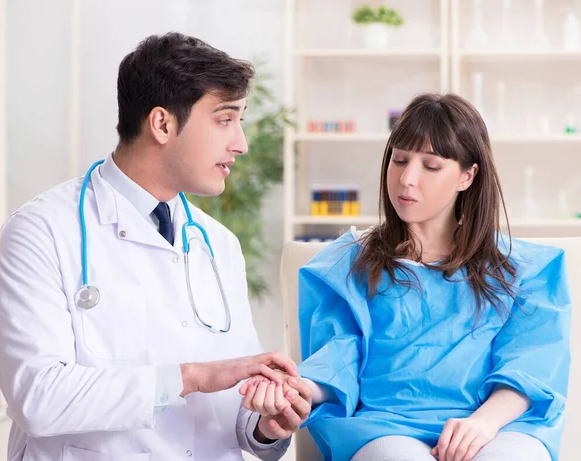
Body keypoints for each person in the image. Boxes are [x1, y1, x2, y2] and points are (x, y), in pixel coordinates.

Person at [0, 32, 312, 461]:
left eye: (240, 121)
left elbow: (234, 406)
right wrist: (191, 377)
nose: (241, 144)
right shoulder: (38, 234)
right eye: (224, 119)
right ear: (162, 124)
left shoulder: (218, 245)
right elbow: (38, 399)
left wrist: (265, 426)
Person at [241, 93, 571, 461]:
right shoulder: (344, 266)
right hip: (385, 427)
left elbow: (530, 365)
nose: (406, 179)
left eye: (431, 166)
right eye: (399, 160)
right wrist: (294, 389)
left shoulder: (525, 270)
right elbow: (337, 359)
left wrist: (481, 424)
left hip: (497, 427)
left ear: (467, 175)